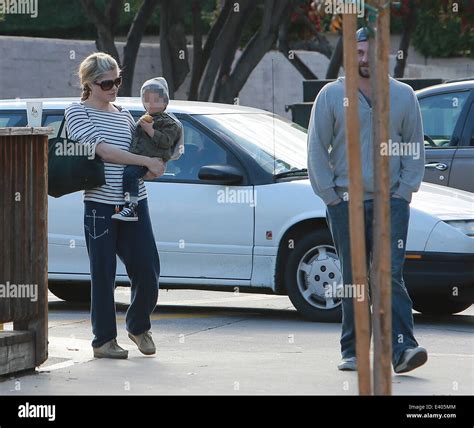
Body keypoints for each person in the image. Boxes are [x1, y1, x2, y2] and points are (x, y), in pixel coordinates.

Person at [307, 28, 428, 374]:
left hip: (392, 201)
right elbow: (317, 147)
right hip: (346, 201)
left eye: (370, 52)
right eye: (357, 52)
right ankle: (355, 350)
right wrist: (330, 197)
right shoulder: (332, 95)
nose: (364, 59)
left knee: (389, 275)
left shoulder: (404, 96)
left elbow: (414, 147)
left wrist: (404, 191)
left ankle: (403, 350)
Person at [65, 52, 165, 359]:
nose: (114, 87)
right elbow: (104, 152)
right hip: (100, 205)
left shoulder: (124, 114)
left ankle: (138, 325)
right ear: (90, 84)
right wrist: (143, 160)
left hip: (134, 201)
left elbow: (138, 150)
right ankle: (104, 341)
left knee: (148, 269)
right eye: (107, 82)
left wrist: (153, 165)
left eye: (117, 80)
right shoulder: (77, 112)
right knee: (103, 272)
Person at [112, 77, 183, 221]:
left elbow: (166, 141)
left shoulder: (169, 123)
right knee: (128, 174)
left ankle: (131, 207)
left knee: (130, 174)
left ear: (165, 102)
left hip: (152, 159)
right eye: (147, 100)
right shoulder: (146, 118)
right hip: (140, 158)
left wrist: (151, 131)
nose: (151, 104)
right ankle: (125, 205)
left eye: (156, 100)